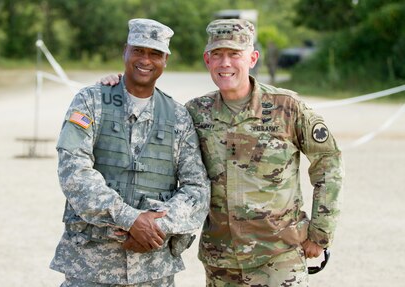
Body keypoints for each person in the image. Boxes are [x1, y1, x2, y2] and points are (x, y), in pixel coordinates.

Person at [101, 19, 344, 286]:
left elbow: (328, 162)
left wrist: (321, 232)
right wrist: (121, 85)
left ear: (252, 58)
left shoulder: (287, 108)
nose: (225, 63)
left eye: (234, 54)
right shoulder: (194, 112)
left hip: (278, 257)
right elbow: (151, 127)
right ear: (207, 60)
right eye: (217, 55)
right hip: (221, 260)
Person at [50, 18, 210, 287]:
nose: (145, 60)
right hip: (91, 266)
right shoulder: (91, 101)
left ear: (165, 59)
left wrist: (155, 225)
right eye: (138, 50)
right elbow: (74, 172)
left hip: (153, 269)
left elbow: (197, 190)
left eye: (155, 53)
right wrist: (130, 219)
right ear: (125, 51)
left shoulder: (179, 117)